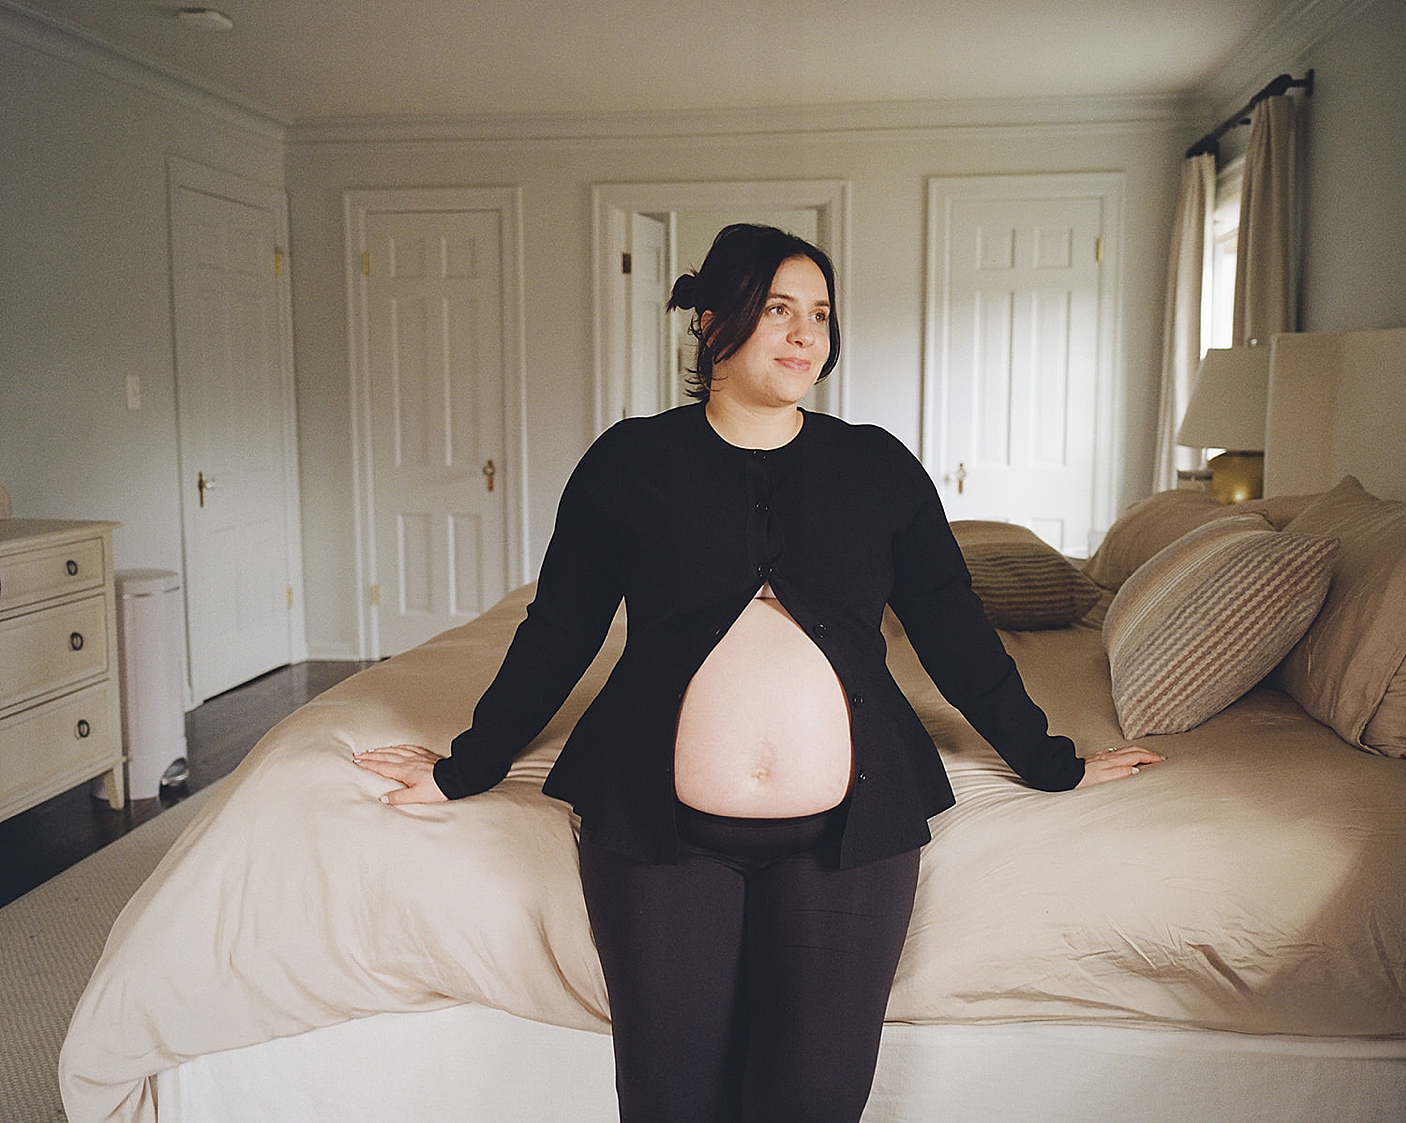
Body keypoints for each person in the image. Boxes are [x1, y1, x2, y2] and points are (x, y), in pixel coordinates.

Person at [354, 223, 1163, 1123]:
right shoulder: (630, 461)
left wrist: (1053, 761)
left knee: (812, 1106)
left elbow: (955, 631)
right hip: (662, 839)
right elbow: (560, 630)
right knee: (669, 1103)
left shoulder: (877, 466)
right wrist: (465, 766)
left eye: (819, 313)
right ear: (712, 323)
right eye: (779, 309)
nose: (806, 333)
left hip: (849, 842)